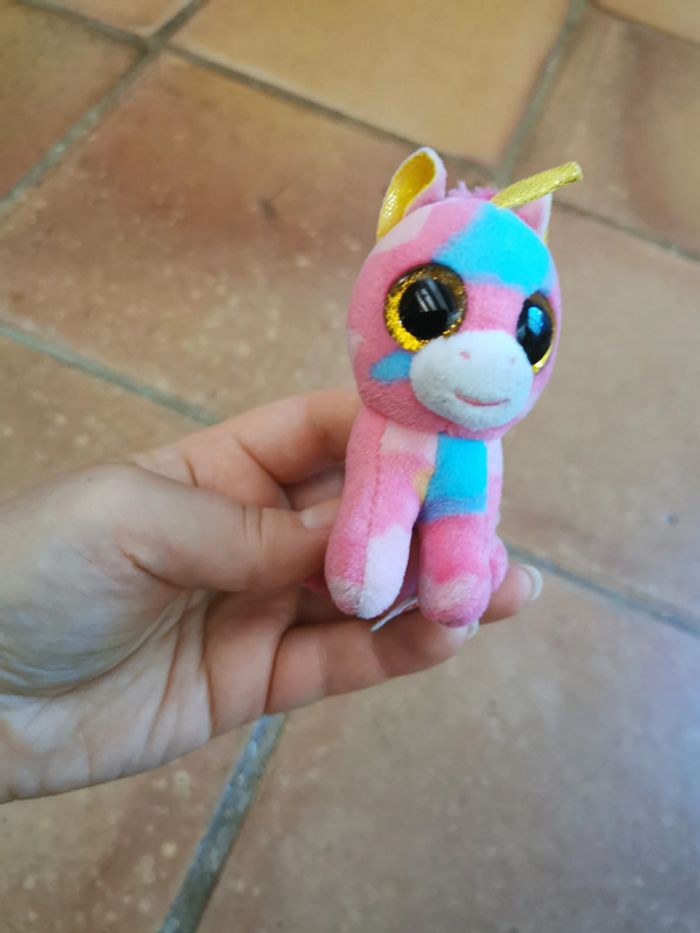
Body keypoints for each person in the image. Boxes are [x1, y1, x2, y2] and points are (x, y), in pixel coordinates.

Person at [0, 389, 541, 803]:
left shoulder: (477, 448)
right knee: (384, 544)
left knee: (451, 548)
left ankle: (447, 571)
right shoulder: (385, 428)